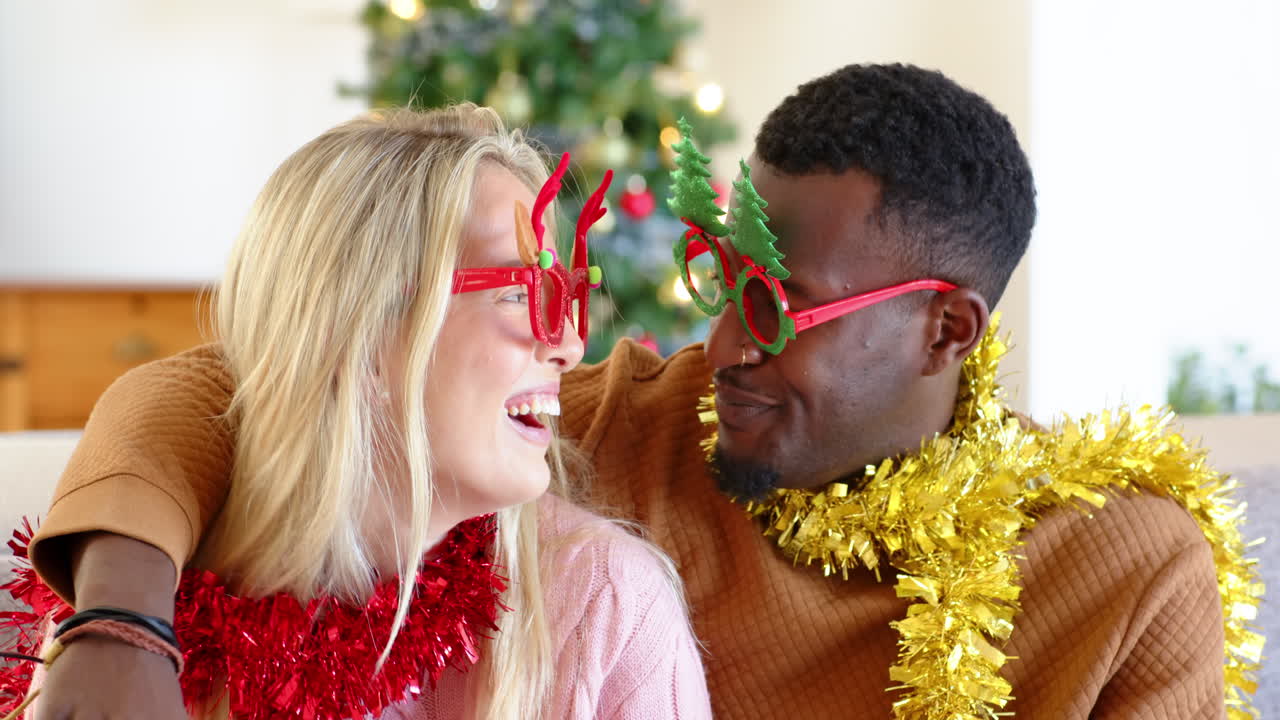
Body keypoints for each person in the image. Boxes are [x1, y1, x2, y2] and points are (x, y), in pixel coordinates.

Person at [10, 64, 1263, 719]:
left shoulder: (1125, 572)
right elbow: (270, 370)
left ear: (943, 330)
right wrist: (122, 615)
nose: (719, 346)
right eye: (721, 279)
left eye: (775, 307)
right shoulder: (627, 428)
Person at [0, 105, 711, 719]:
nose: (569, 342)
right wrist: (123, 614)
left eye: (569, 294)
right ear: (367, 332)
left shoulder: (604, 608)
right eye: (524, 293)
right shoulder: (137, 612)